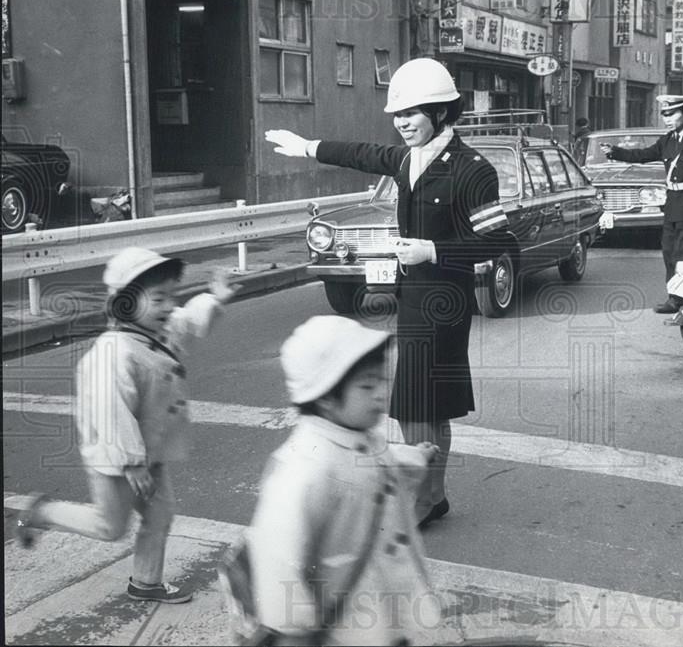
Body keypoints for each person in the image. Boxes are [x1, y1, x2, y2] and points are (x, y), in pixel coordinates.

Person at [265, 58, 509, 527]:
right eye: (397, 116)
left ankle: (421, 497)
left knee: (418, 406)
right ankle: (432, 496)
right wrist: (308, 147)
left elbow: (500, 241)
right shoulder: (406, 159)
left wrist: (433, 250)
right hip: (413, 297)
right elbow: (361, 153)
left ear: (440, 112)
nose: (402, 124)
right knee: (427, 408)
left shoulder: (472, 170)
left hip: (446, 301)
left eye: (411, 114)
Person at [15, 247, 238, 603]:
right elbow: (110, 412)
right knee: (111, 526)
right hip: (117, 459)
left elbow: (189, 320)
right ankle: (42, 512)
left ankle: (146, 582)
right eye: (159, 298)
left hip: (151, 453)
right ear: (125, 304)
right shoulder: (114, 353)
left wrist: (214, 299)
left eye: (171, 296)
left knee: (161, 513)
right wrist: (131, 461)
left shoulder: (156, 331)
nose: (169, 307)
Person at [245, 315, 440, 645]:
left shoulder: (357, 435)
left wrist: (415, 456)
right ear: (324, 396)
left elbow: (378, 460)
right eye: (367, 385)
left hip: (387, 602)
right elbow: (278, 555)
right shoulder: (304, 468)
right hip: (346, 624)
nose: (382, 394)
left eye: (382, 380)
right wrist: (292, 630)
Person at [599, 95, 683, 313]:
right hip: (672, 203)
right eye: (665, 115)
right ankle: (675, 294)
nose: (668, 119)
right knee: (668, 252)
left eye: (671, 114)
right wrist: (615, 152)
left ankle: (679, 299)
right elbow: (643, 155)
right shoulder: (668, 140)